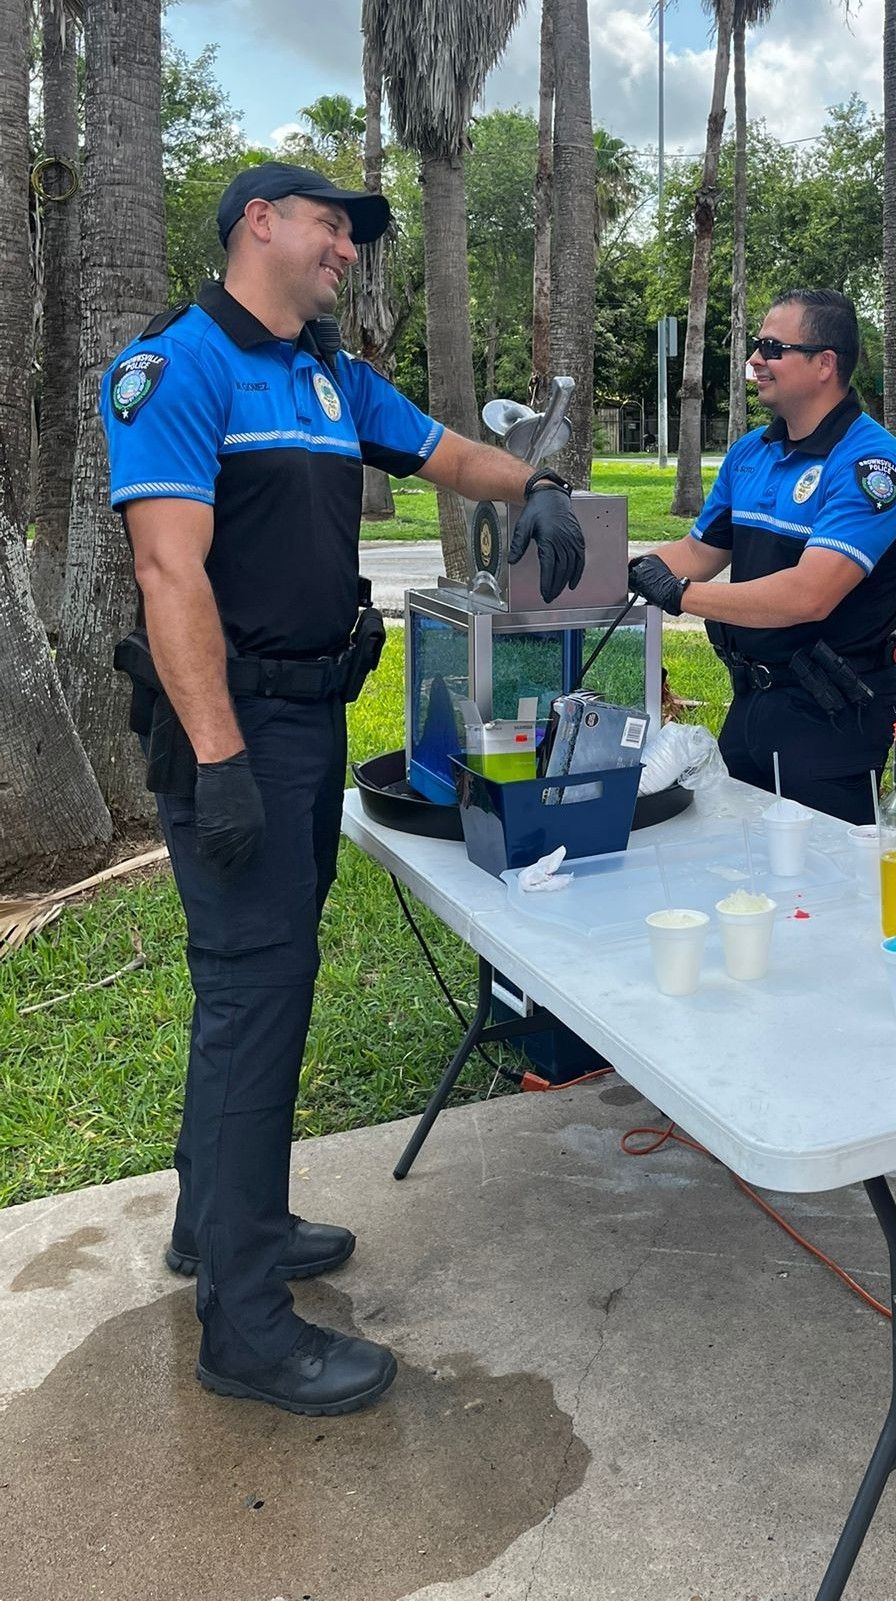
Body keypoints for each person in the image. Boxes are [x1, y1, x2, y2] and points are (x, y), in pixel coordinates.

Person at [102, 162, 586, 1417]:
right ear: (257, 223)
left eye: (355, 238)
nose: (347, 253)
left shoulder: (325, 373)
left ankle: (218, 1222)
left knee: (261, 981)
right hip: (235, 725)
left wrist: (533, 487)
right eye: (331, 227)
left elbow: (443, 450)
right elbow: (169, 576)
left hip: (312, 717)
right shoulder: (177, 366)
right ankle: (247, 1329)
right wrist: (216, 760)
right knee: (256, 995)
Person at [626, 288, 896, 824]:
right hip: (752, 700)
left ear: (824, 363)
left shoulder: (871, 464)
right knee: (741, 868)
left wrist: (684, 597)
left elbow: (810, 595)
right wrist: (624, 570)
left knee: (824, 888)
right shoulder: (750, 453)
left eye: (771, 347)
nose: (754, 361)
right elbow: (699, 550)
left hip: (832, 715)